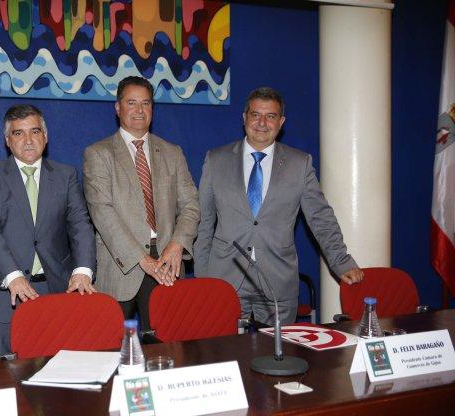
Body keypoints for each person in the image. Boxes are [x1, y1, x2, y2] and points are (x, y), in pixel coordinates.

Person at [194, 86, 363, 325]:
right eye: (255, 114)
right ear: (244, 118)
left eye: (271, 116)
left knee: (278, 358)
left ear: (281, 121)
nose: (262, 122)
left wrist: (340, 259)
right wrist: (203, 278)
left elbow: (320, 218)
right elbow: (203, 223)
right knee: (224, 355)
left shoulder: (300, 164)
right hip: (224, 278)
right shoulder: (216, 159)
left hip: (277, 281)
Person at [0, 104, 96, 362]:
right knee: (5, 380)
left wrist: (83, 270)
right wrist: (13, 276)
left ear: (46, 136)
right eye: (18, 133)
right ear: (7, 140)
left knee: (57, 375)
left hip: (56, 292)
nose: (28, 140)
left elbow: (80, 223)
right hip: (4, 298)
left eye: (35, 131)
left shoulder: (66, 175)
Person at [83, 76, 200, 331]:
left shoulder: (173, 152)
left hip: (167, 262)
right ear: (118, 108)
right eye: (131, 103)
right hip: (120, 264)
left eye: (145, 103)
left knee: (166, 349)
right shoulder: (98, 154)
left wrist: (177, 244)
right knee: (112, 350)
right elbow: (102, 212)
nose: (139, 110)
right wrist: (142, 259)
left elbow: (191, 204)